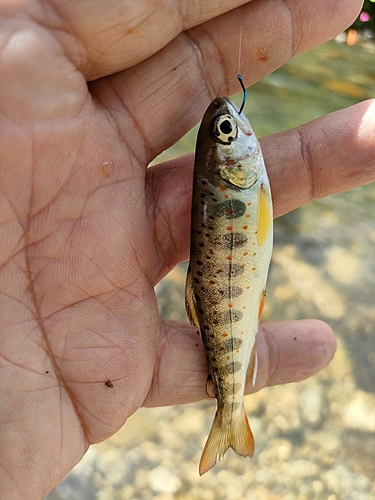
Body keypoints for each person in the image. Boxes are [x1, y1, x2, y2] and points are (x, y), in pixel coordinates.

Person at [0, 0, 374, 498]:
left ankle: (230, 410)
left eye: (226, 130)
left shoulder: (236, 177)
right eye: (227, 133)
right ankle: (230, 411)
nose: (233, 126)